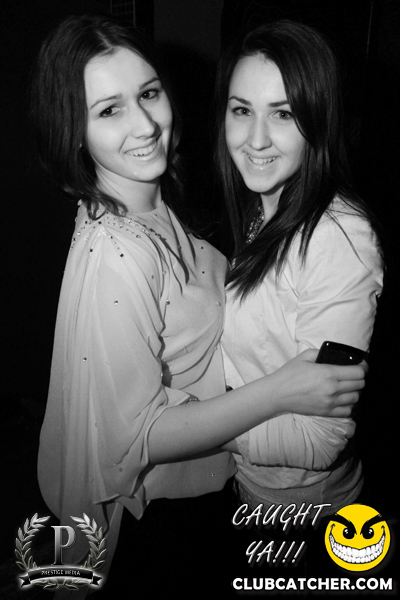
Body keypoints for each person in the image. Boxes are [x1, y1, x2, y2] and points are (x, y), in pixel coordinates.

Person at [32, 14, 365, 595]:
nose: (144, 125)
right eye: (109, 110)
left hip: (226, 497)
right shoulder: (119, 255)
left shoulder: (156, 201)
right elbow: (134, 439)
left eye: (148, 94)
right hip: (165, 522)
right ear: (73, 130)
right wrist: (280, 391)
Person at [214, 19, 384, 571]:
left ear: (318, 120)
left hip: (313, 520)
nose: (255, 139)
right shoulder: (262, 211)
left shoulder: (340, 238)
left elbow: (321, 439)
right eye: (242, 110)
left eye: (283, 114)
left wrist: (191, 424)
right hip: (253, 496)